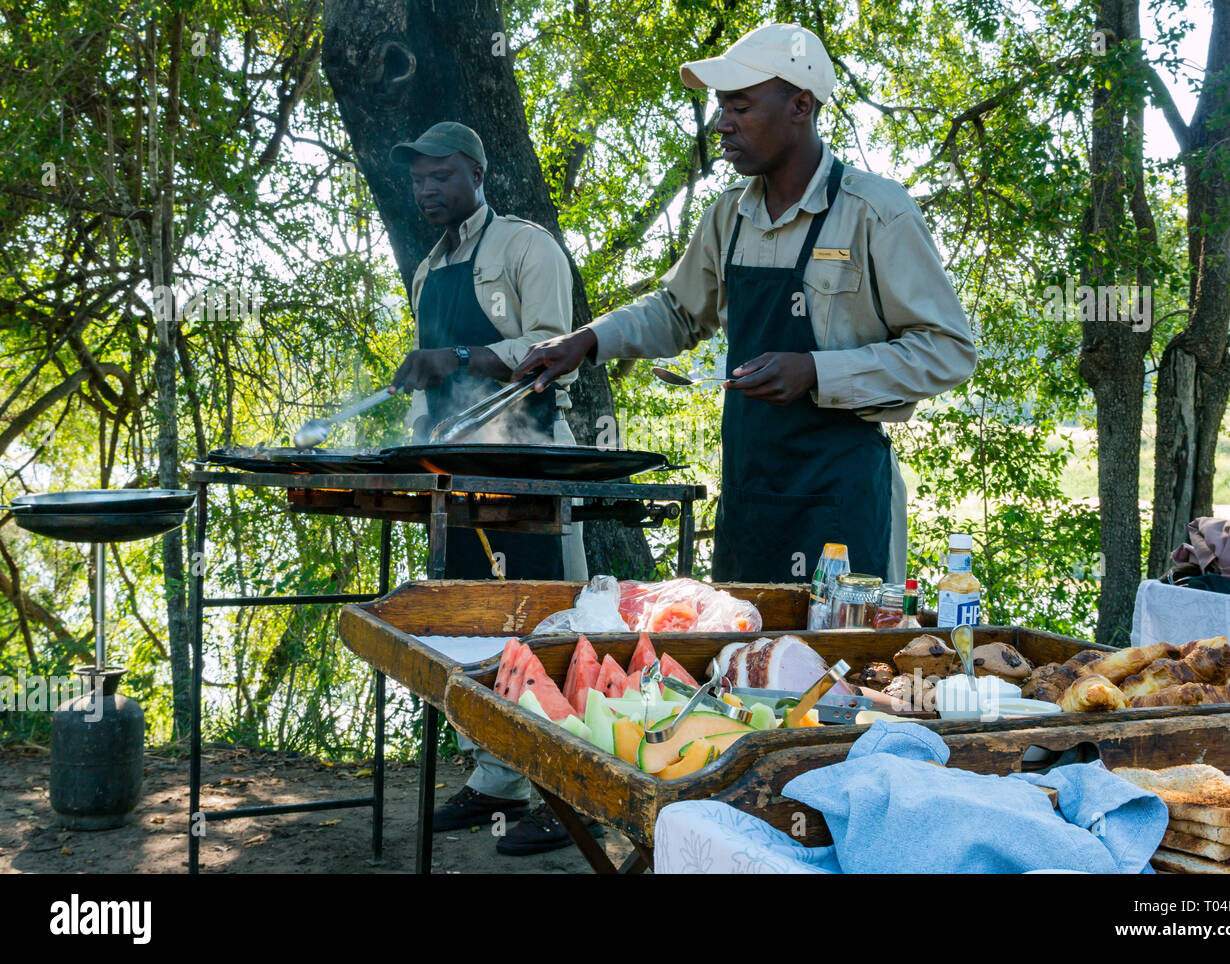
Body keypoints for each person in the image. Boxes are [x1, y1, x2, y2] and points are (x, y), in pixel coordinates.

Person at [515, 24, 976, 584]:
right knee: (742, 659)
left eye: (739, 106)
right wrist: (587, 340)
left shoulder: (874, 212)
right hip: (751, 499)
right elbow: (678, 312)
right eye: (720, 108)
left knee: (845, 670)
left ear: (800, 105)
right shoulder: (727, 214)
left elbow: (948, 350)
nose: (722, 124)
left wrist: (815, 371)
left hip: (843, 502)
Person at [388, 121, 592, 855]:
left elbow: (554, 353)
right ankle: (496, 778)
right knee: (470, 628)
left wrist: (463, 354)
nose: (427, 190)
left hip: (532, 465)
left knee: (551, 625)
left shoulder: (526, 246)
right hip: (459, 473)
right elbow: (433, 384)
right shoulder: (427, 268)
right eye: (418, 180)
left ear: (476, 173)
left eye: (440, 176)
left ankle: (569, 788)